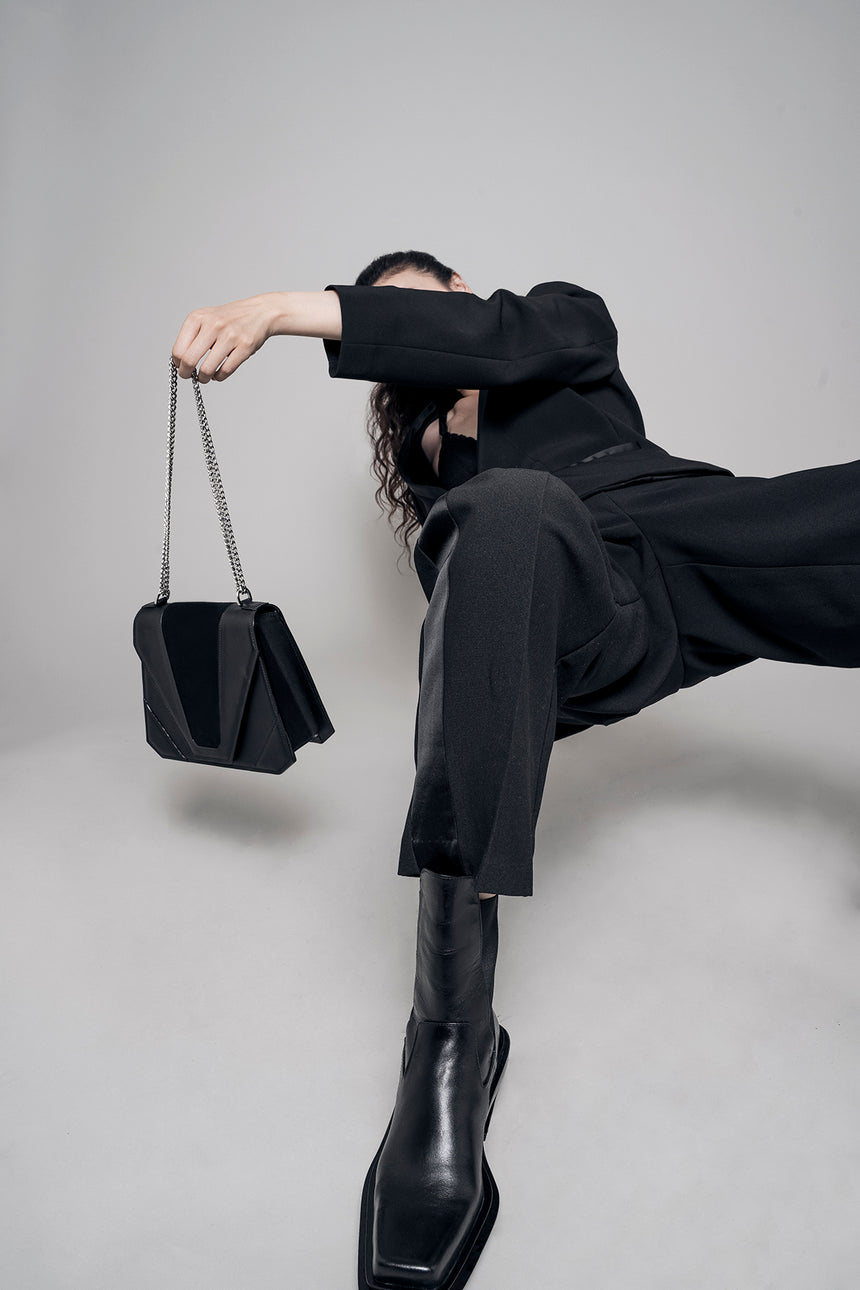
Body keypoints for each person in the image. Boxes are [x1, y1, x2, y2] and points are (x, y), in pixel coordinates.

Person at [171, 251, 860, 1290]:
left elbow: (494, 340)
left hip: (707, 539)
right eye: (384, 316)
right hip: (586, 612)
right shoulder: (435, 462)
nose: (403, 325)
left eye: (413, 303)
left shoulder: (559, 320)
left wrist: (278, 309)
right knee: (505, 511)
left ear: (462, 296)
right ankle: (449, 1037)